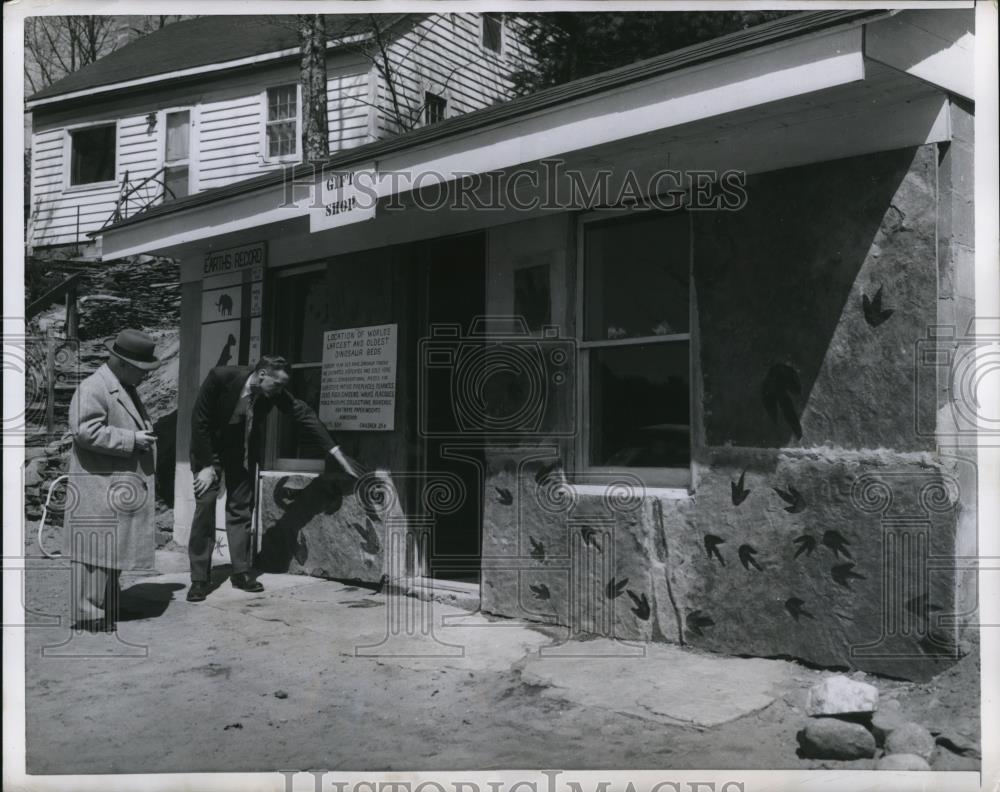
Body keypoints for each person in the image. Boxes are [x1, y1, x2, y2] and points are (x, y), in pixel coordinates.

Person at [186, 354, 361, 602]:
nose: (280, 390)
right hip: (208, 450)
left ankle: (240, 572)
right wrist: (206, 465)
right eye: (277, 384)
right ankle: (199, 579)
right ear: (262, 374)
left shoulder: (273, 392)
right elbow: (200, 422)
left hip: (241, 452)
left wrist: (335, 451)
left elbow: (302, 413)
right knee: (205, 505)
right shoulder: (220, 377)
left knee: (241, 509)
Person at [66, 328, 160, 632]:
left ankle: (104, 605)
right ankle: (89, 615)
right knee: (94, 552)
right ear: (123, 363)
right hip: (98, 484)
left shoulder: (121, 386)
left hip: (112, 483)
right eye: (142, 370)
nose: (145, 377)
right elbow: (83, 431)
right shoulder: (94, 387)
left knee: (110, 549)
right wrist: (132, 439)